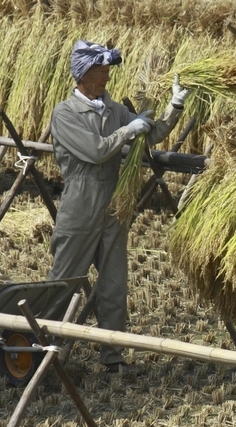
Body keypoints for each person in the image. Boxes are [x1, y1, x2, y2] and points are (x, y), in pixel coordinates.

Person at [48, 39, 190, 373]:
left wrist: (174, 107)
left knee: (113, 285)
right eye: (99, 72)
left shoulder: (113, 110)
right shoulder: (66, 114)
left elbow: (150, 135)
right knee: (64, 282)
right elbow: (96, 151)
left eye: (107, 71)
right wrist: (128, 130)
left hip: (114, 205)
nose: (106, 77)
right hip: (80, 203)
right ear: (82, 75)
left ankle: (112, 359)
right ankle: (43, 348)